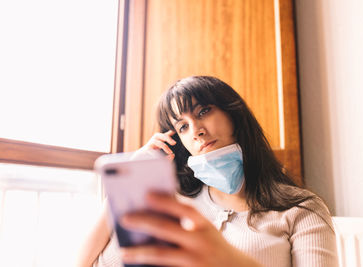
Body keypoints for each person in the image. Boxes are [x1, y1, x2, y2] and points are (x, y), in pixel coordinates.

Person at [77, 76, 338, 267]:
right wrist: (127, 185)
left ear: (234, 116)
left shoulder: (302, 210)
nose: (197, 131)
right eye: (183, 127)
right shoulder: (173, 204)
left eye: (203, 111)